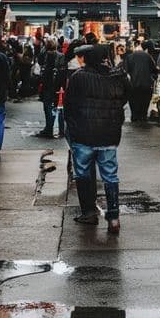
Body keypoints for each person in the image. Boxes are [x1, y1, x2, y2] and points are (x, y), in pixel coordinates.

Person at [63, 44, 129, 233]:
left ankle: (89, 212)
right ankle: (114, 217)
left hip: (83, 135)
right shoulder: (117, 77)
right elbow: (125, 97)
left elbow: (69, 106)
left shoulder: (78, 77)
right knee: (110, 175)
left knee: (83, 173)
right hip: (108, 135)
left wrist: (73, 128)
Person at [38, 37, 66, 138]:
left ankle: (49, 128)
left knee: (47, 107)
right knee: (56, 107)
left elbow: (39, 62)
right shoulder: (61, 56)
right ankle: (56, 128)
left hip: (47, 84)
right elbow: (63, 70)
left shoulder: (44, 55)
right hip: (57, 85)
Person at [124, 40, 158, 123]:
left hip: (133, 85)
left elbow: (125, 71)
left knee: (134, 102)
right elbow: (154, 71)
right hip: (146, 85)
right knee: (144, 103)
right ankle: (142, 117)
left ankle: (135, 117)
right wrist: (152, 78)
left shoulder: (129, 57)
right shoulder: (148, 57)